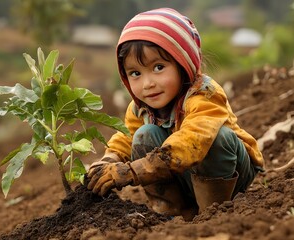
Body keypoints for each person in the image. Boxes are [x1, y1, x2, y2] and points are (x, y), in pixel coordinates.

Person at [86, 8, 264, 219]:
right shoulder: (140, 107)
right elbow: (127, 136)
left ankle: (213, 211)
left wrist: (132, 171)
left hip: (231, 172)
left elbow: (192, 143)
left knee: (218, 138)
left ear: (183, 64)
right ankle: (173, 212)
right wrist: (109, 160)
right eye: (135, 73)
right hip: (185, 173)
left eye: (159, 67)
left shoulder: (204, 95)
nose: (148, 84)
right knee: (144, 135)